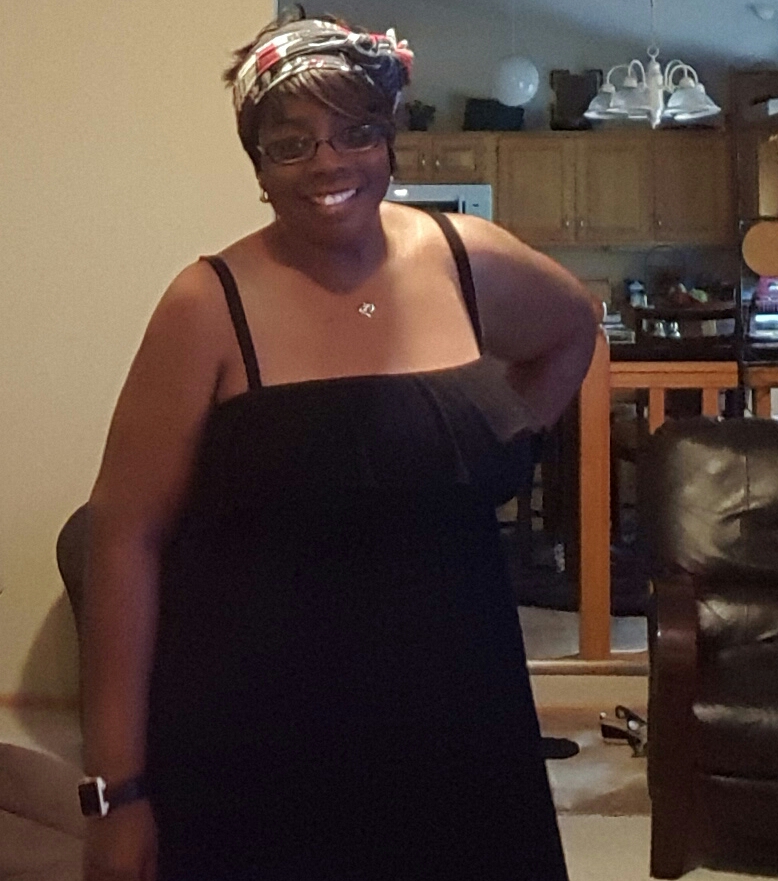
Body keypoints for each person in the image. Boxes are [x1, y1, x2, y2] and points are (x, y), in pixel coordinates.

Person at [79, 8, 597, 881]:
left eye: (355, 132)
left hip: (459, 718)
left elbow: (573, 327)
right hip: (261, 737)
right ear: (258, 166)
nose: (329, 162)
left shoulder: (464, 257)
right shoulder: (207, 305)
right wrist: (115, 790)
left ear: (388, 141)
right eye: (292, 143)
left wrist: (499, 438)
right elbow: (123, 539)